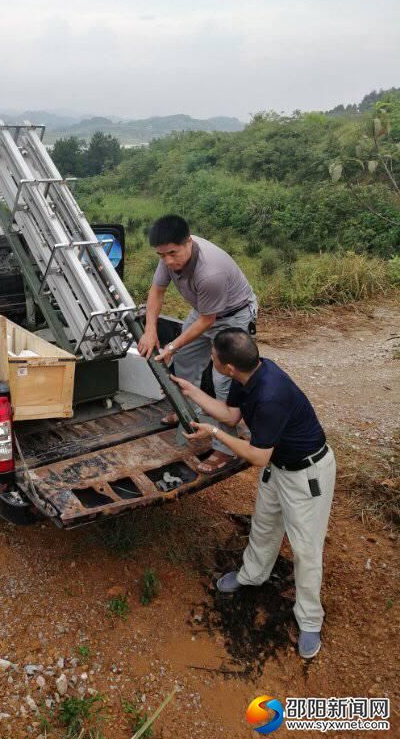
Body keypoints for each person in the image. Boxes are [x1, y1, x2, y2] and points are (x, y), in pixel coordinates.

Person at [172, 327, 336, 659]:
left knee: (305, 550)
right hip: (279, 466)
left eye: (214, 357)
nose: (211, 358)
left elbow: (257, 455)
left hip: (307, 475)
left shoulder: (271, 394)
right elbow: (232, 414)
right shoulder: (249, 374)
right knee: (263, 525)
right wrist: (191, 392)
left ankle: (309, 620)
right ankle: (252, 575)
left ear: (229, 366)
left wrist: (214, 433)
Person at [137, 215, 257, 473]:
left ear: (188, 242)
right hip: (204, 311)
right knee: (185, 360)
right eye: (161, 255)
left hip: (231, 316)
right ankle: (186, 410)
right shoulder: (168, 256)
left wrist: (171, 346)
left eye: (173, 253)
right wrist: (150, 330)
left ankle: (227, 450)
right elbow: (157, 290)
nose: (168, 261)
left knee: (224, 381)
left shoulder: (210, 272)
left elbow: (207, 321)